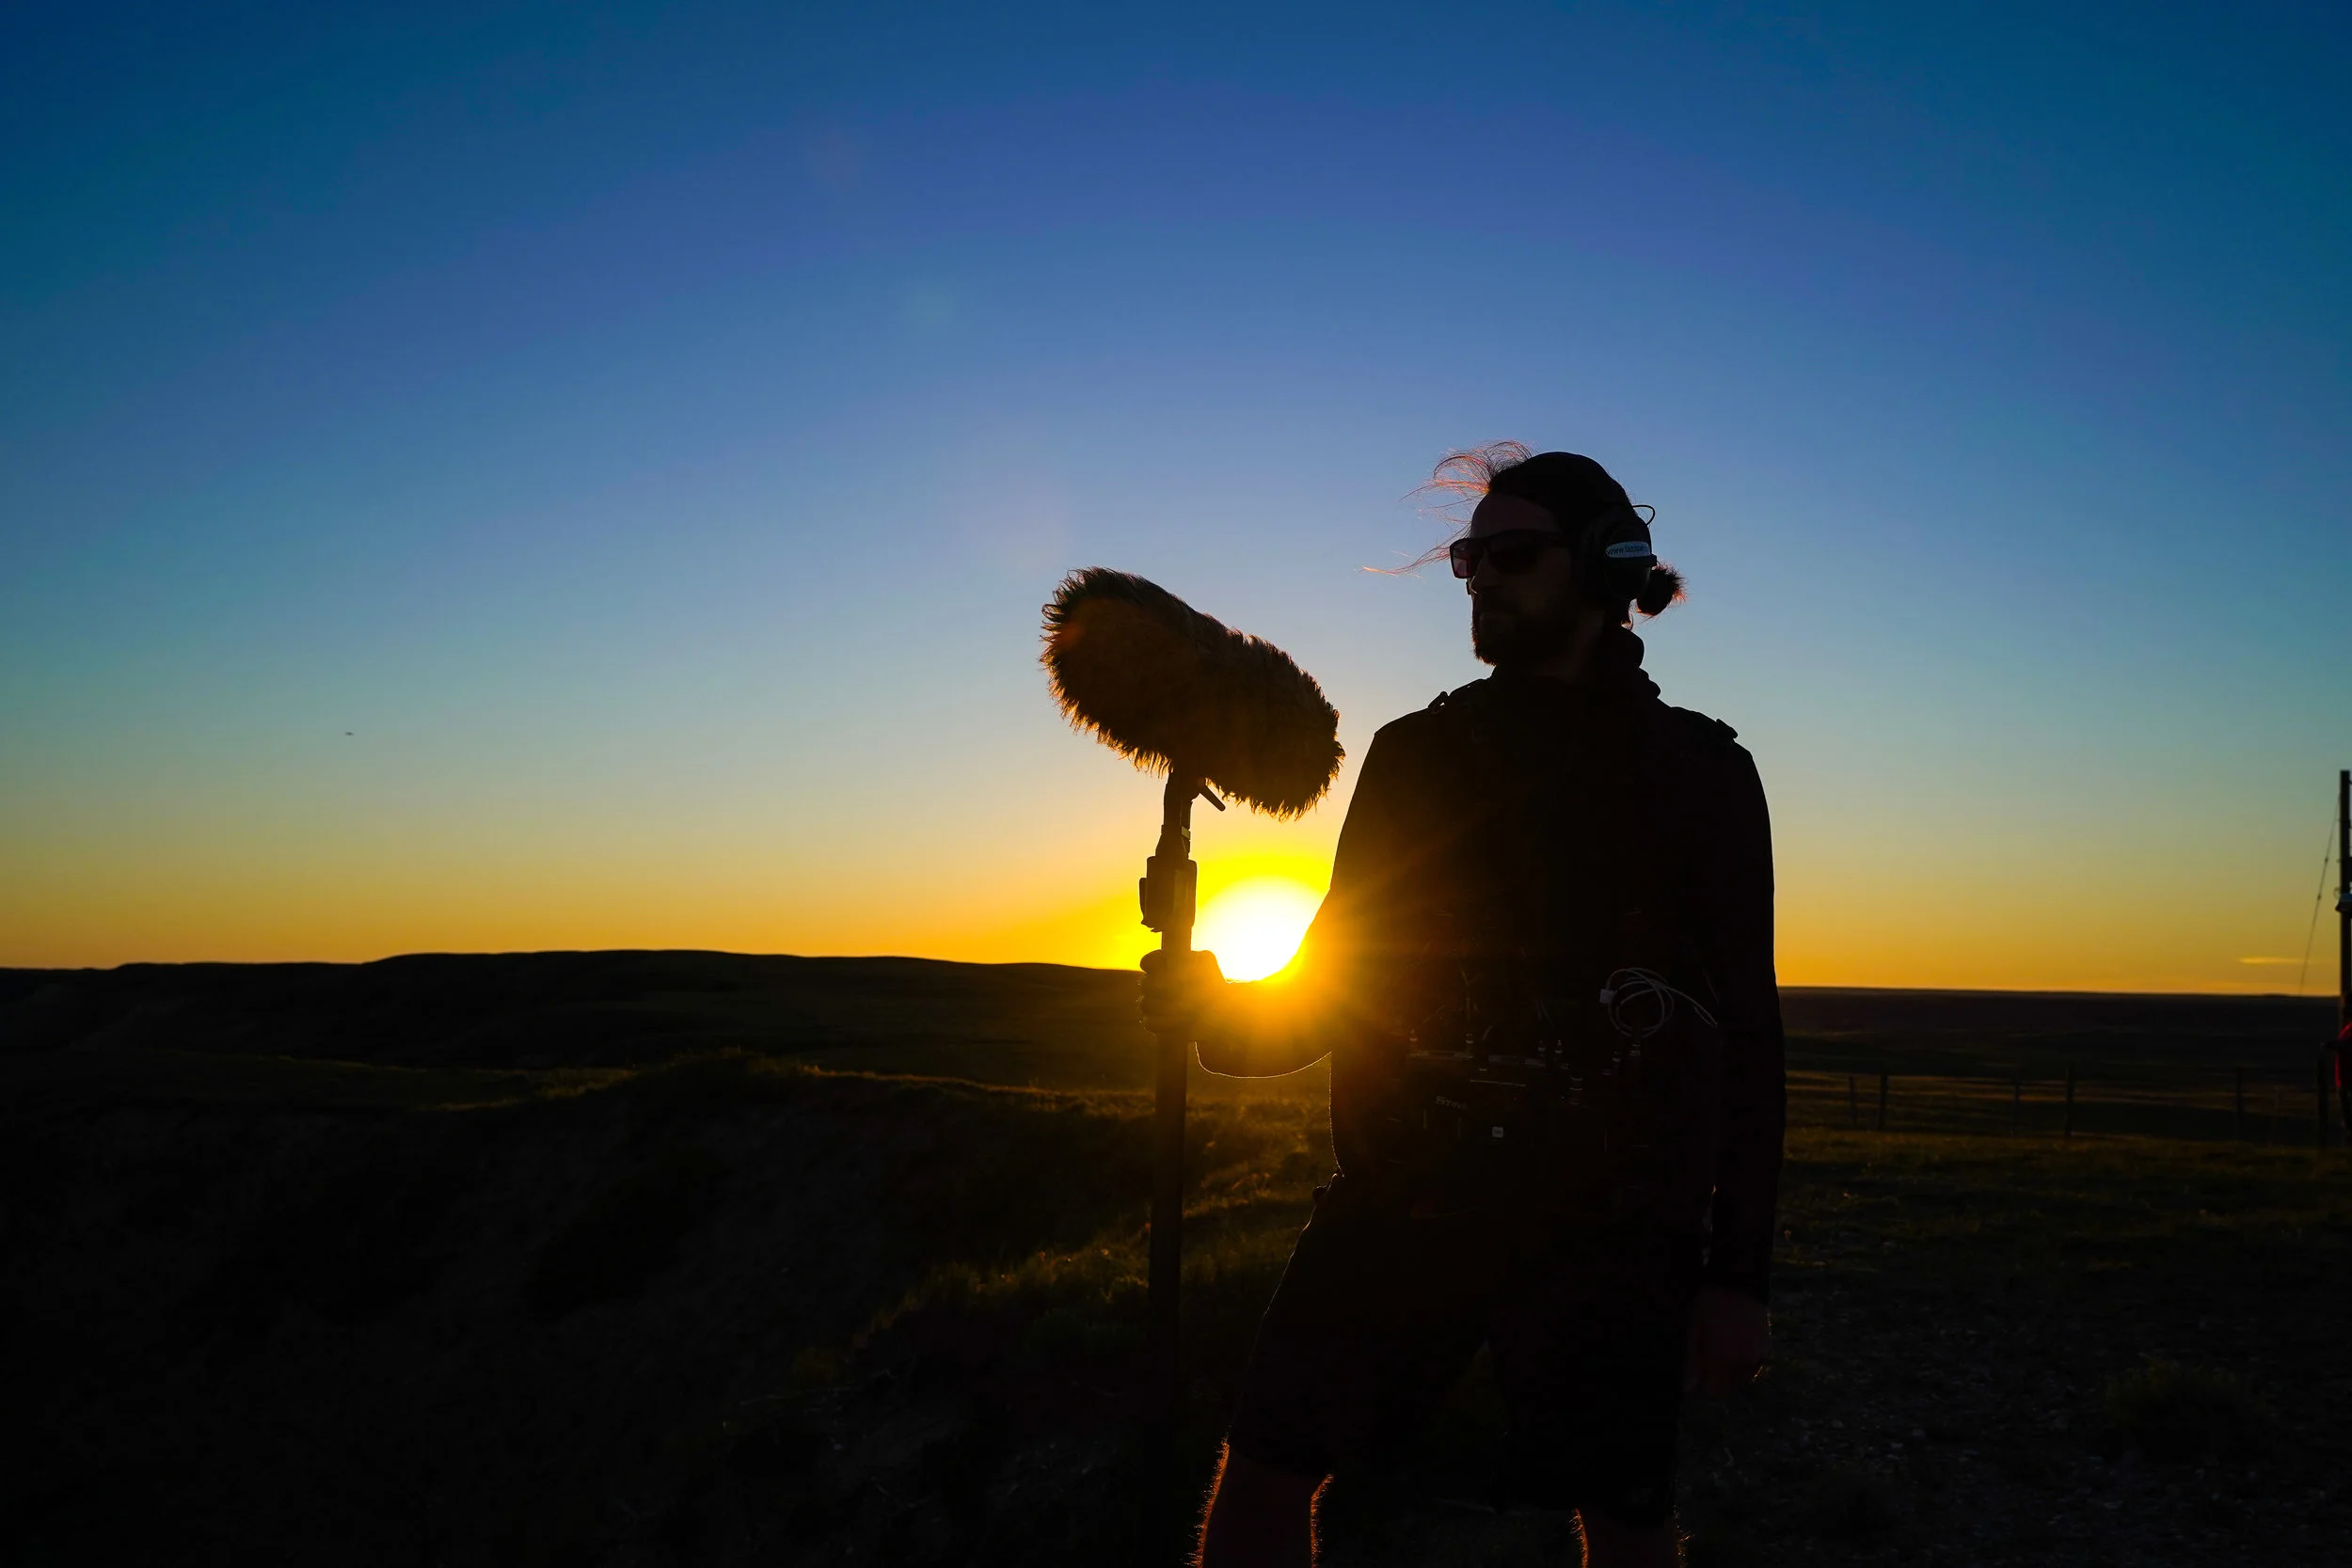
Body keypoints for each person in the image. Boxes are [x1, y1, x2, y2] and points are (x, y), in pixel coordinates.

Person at [1141, 445, 1784, 1568]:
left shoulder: (1701, 773)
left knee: (1627, 1523)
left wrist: (1736, 1278)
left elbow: (1751, 1037)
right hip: (1401, 1203)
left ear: (1603, 566)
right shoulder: (1415, 756)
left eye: (1513, 555)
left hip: (1613, 1226)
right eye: (1467, 558)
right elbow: (1335, 991)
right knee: (1261, 1477)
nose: (1481, 578)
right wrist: (1210, 1005)